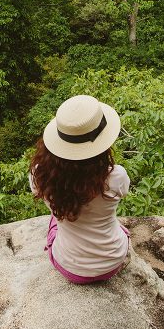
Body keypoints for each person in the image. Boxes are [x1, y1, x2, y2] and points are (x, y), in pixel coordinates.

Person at [29, 94, 131, 284]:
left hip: (69, 266)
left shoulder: (40, 176)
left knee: (57, 214)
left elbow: (38, 192)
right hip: (112, 261)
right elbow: (122, 192)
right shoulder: (116, 176)